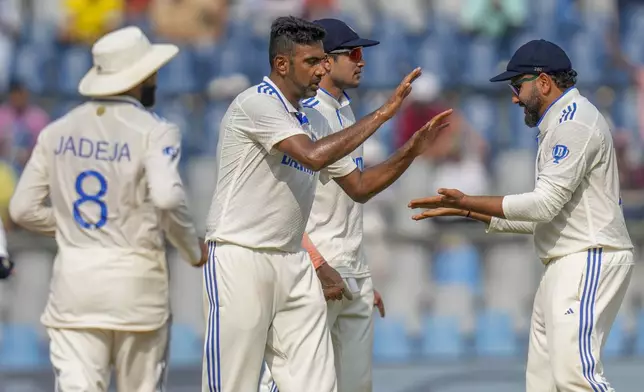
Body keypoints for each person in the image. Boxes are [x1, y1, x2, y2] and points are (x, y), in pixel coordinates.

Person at [203, 15, 451, 392]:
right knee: (232, 383)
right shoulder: (256, 103)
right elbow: (313, 156)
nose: (321, 68)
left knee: (316, 385)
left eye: (323, 59)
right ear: (282, 64)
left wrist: (411, 150)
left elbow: (358, 185)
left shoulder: (312, 117)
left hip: (293, 261)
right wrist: (385, 113)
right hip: (241, 254)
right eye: (312, 61)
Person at [409, 39, 634, 392]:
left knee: (575, 378)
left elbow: (542, 205)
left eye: (518, 86)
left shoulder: (574, 123)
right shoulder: (558, 122)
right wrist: (467, 209)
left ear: (544, 82)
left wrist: (471, 200)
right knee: (543, 383)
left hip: (590, 255)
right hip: (564, 261)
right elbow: (543, 217)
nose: (514, 97)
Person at [9, 26, 207, 392]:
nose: (155, 79)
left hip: (75, 289)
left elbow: (22, 209)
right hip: (137, 287)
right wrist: (193, 250)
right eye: (150, 72)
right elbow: (166, 198)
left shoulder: (56, 131)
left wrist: (71, 224)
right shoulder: (155, 130)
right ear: (136, 78)